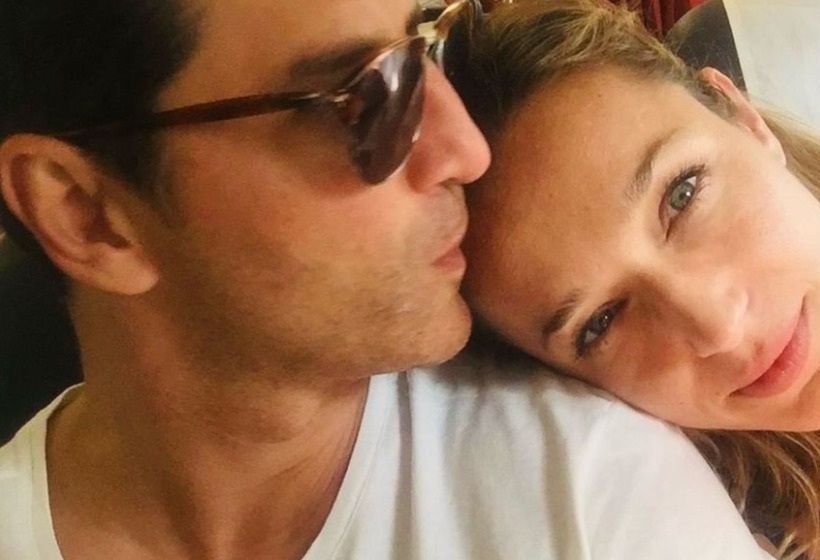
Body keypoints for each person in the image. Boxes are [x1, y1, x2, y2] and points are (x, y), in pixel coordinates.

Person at [0, 0, 776, 558]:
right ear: (84, 214)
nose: (466, 151)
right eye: (362, 98)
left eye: (432, 45)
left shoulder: (589, 492)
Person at [451, 0, 820, 558]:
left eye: (682, 195)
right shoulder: (726, 538)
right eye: (601, 322)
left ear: (743, 119)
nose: (717, 328)